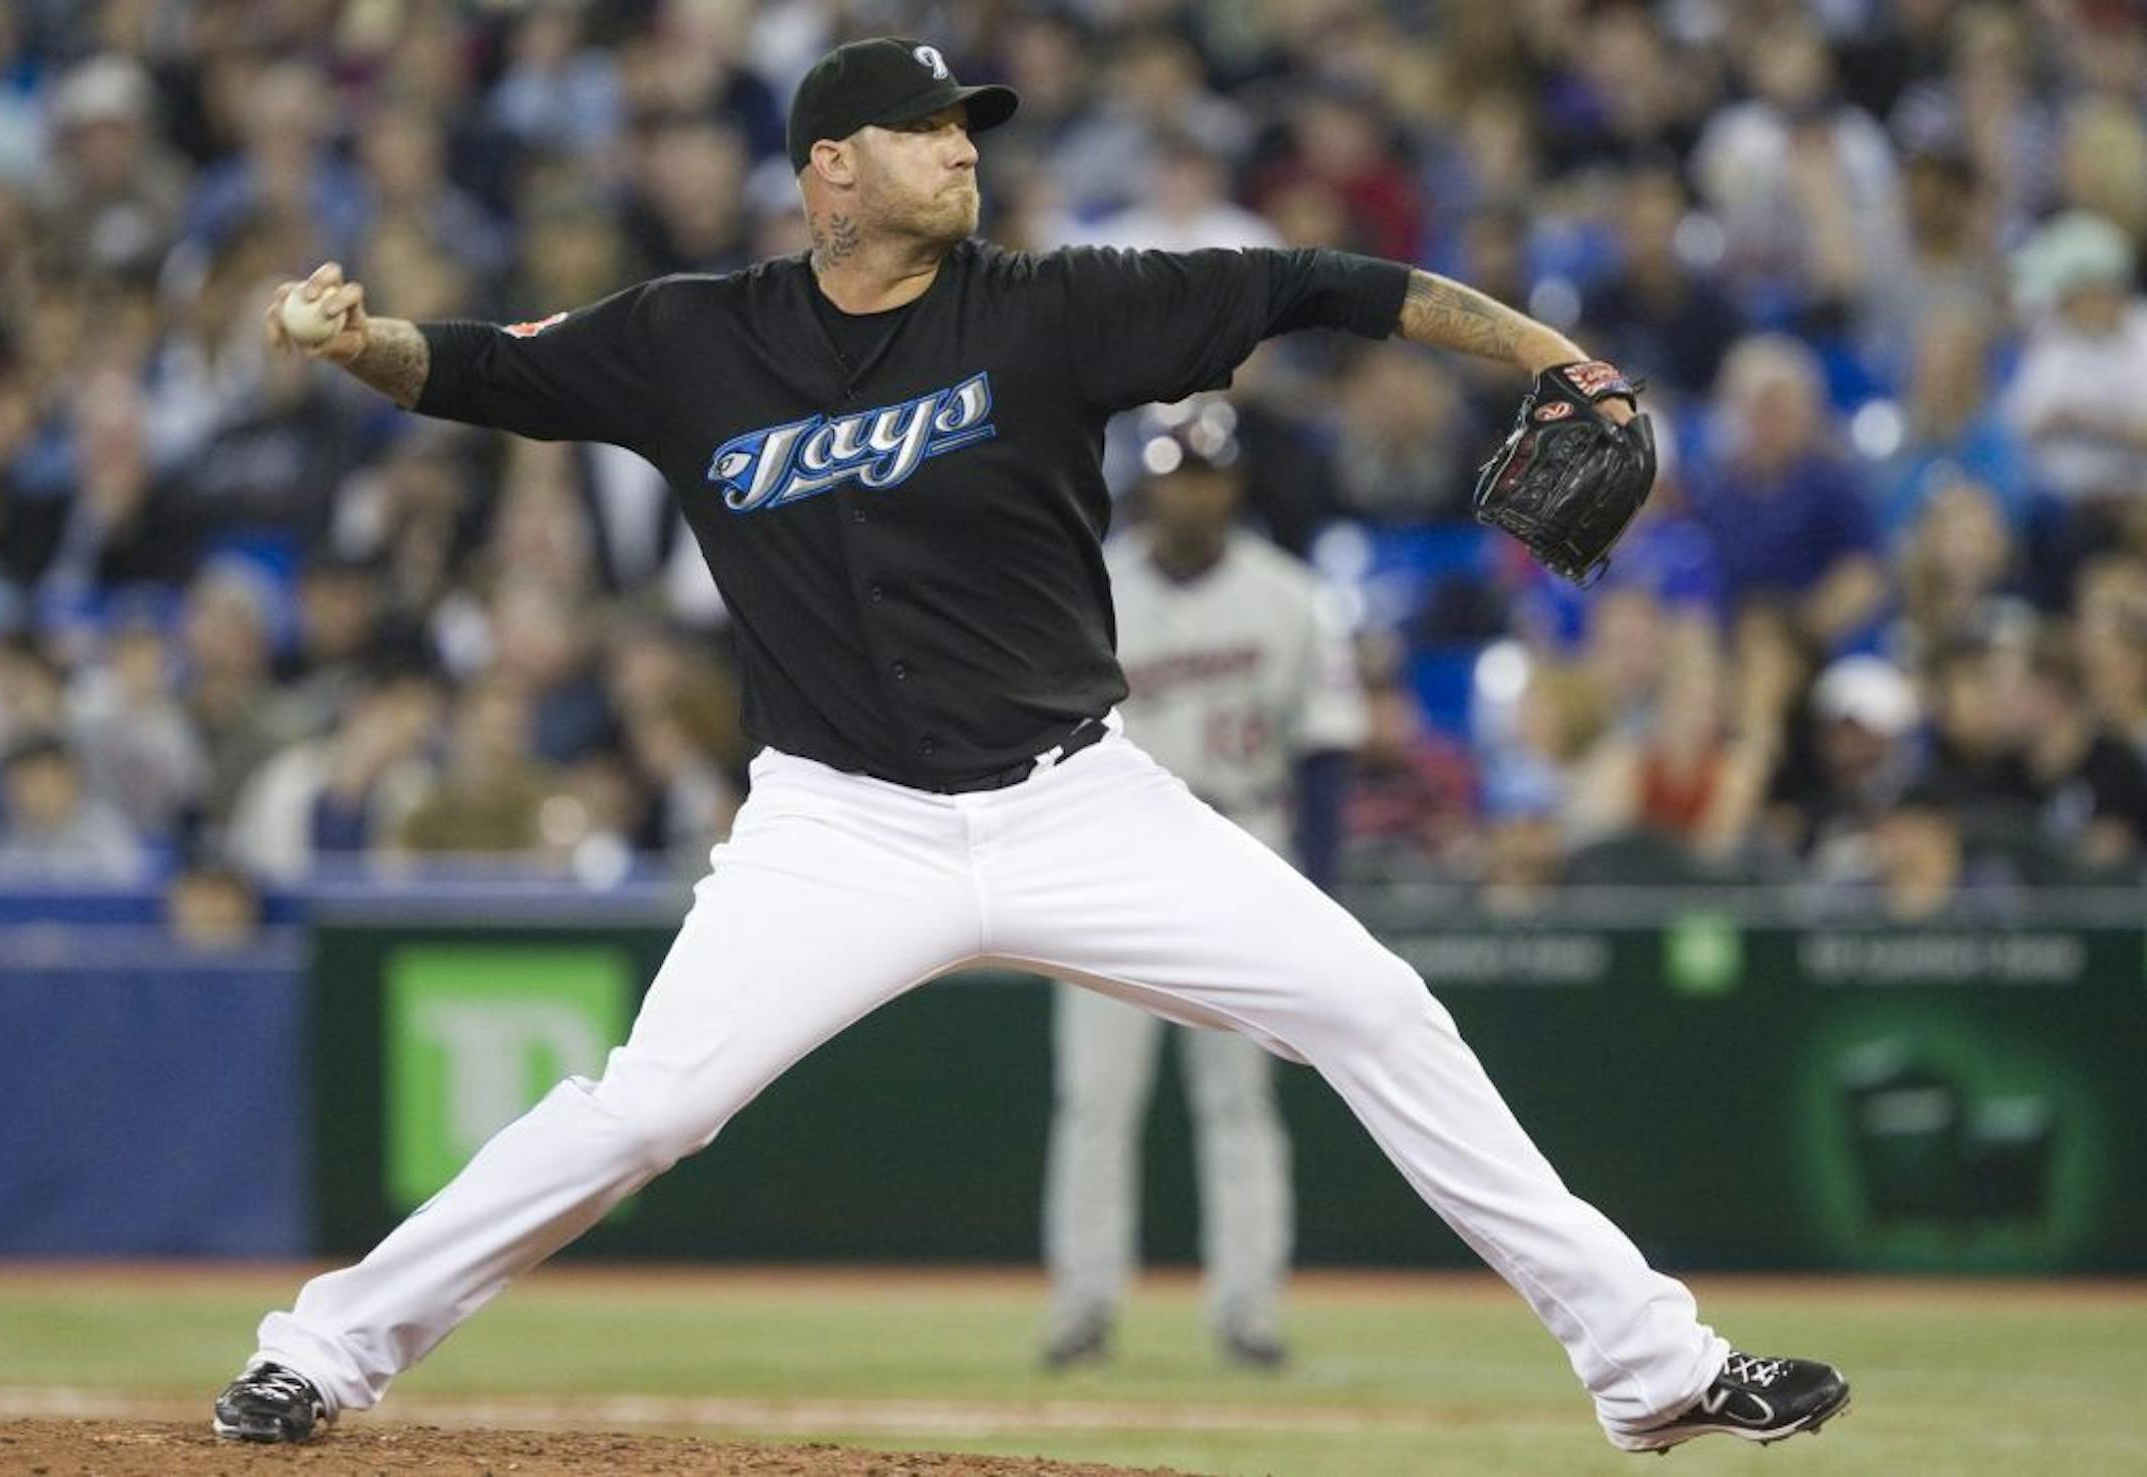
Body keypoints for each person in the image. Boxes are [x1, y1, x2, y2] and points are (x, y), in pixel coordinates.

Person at [213, 37, 1847, 1456]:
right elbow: (492, 370)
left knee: (1374, 1004)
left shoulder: (1061, 310)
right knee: (645, 1113)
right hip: (834, 827)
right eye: (929, 131)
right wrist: (357, 341)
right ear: (830, 171)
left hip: (1080, 803)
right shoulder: (693, 338)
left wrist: (1553, 356)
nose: (964, 148)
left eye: (969, 126)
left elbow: (1320, 283)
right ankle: (320, 1350)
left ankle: (1654, 1367)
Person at [1040, 398, 1364, 1372]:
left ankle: (1248, 1311)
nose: (1192, 490)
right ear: (1146, 481)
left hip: (1243, 845)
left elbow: (1326, 754)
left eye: (1207, 472)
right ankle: (1084, 1307)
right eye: (1176, 472)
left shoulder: (1291, 595)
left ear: (1235, 482)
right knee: (1096, 1098)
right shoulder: (1089, 587)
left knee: (1239, 1101)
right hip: (1114, 861)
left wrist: (1323, 893)